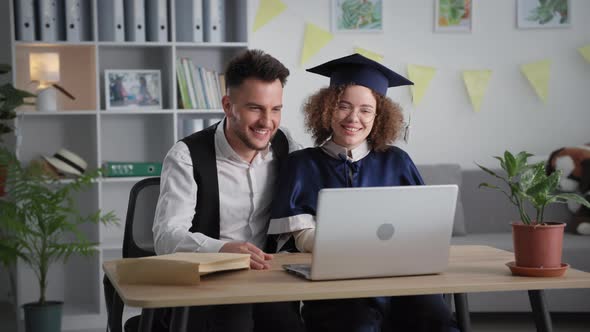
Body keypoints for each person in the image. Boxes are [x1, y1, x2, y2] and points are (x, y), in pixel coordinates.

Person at [269, 53, 458, 332]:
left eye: (366, 110)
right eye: (343, 106)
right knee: (357, 324)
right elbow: (301, 235)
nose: (354, 118)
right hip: (336, 288)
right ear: (325, 109)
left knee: (436, 317)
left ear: (379, 117)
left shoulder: (397, 161)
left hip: (398, 280)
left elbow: (422, 227)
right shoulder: (303, 163)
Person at [152, 49, 304, 332]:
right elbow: (166, 237)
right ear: (227, 105)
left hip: (269, 285)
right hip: (209, 286)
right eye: (255, 108)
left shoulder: (286, 145)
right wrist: (222, 249)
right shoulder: (186, 155)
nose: (267, 122)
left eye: (276, 109)